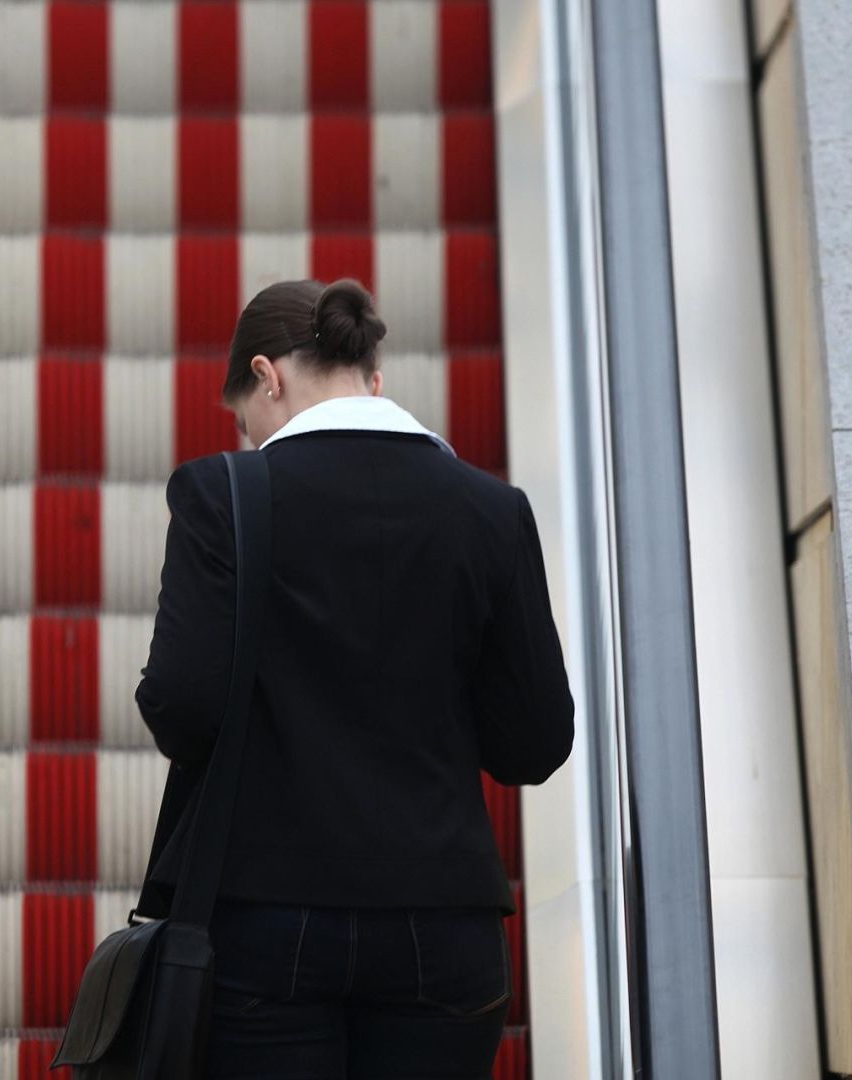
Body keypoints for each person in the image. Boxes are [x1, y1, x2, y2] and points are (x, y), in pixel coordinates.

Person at [132, 277, 575, 1078]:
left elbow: (183, 709)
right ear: (373, 378)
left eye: (245, 420)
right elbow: (534, 745)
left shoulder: (225, 496)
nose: (247, 439)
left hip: (267, 921)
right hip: (446, 927)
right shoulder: (492, 510)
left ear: (267, 377)